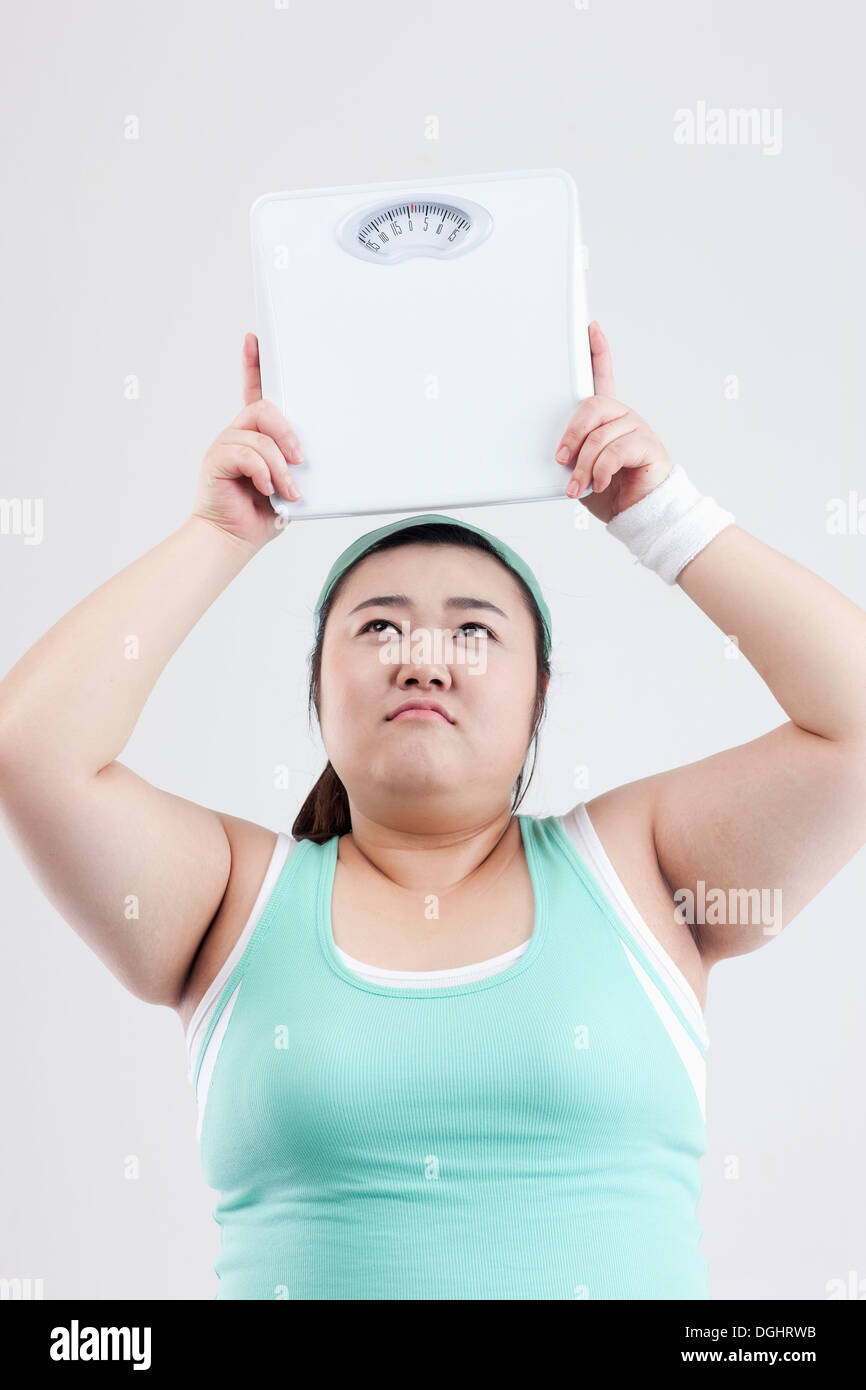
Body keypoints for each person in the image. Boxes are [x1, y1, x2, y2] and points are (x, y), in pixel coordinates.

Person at [1, 323, 864, 1300]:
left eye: (471, 629)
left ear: (537, 692)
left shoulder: (643, 866)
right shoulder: (230, 898)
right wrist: (219, 533)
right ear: (316, 688)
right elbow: (34, 752)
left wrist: (660, 518)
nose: (423, 657)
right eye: (376, 626)